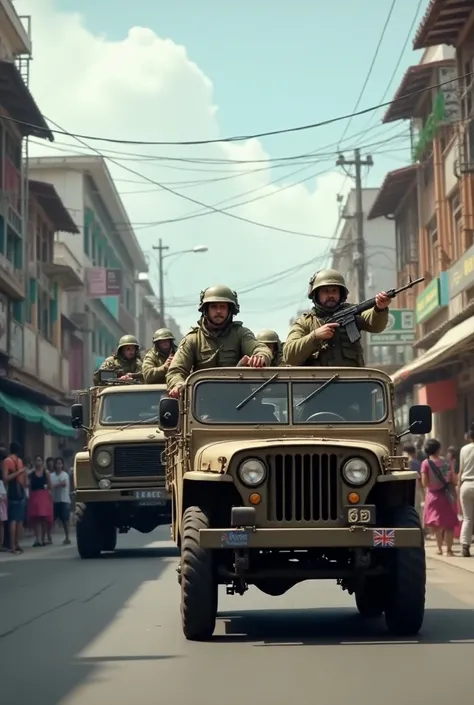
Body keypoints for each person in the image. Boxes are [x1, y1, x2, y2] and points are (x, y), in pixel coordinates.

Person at [166, 285, 272, 398]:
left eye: (223, 307)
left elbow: (260, 349)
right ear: (206, 310)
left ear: (230, 310)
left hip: (241, 403)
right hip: (204, 406)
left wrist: (260, 357)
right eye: (213, 307)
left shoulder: (241, 334)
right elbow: (176, 370)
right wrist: (178, 384)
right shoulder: (193, 339)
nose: (218, 311)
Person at [283, 269, 390, 367]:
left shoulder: (352, 313)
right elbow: (289, 356)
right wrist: (315, 337)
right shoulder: (305, 322)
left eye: (334, 291)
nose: (330, 295)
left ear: (341, 294)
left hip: (352, 382)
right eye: (325, 291)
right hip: (318, 384)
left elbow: (376, 326)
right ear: (316, 295)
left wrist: (379, 309)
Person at [420, 438, 459, 556]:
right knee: (449, 524)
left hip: (433, 496)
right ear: (438, 449)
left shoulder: (425, 463)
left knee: (436, 524)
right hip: (447, 495)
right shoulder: (447, 462)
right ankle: (449, 550)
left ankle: (439, 548)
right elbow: (454, 480)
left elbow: (424, 483)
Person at [2, 442, 27, 554]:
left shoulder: (7, 461)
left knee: (13, 520)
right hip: (20, 491)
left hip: (13, 491)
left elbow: (5, 478)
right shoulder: (20, 462)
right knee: (18, 520)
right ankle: (16, 544)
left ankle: (13, 545)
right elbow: (22, 479)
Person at [27, 455, 54, 547]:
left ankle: (43, 538)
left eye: (39, 460)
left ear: (42, 462)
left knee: (43, 519)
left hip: (43, 496)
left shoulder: (46, 473)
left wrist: (48, 491)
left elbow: (50, 485)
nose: (38, 462)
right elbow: (29, 485)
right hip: (34, 496)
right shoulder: (31, 474)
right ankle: (37, 538)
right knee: (36, 519)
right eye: (36, 460)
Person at [458, 426, 474, 557]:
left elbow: (461, 470)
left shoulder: (464, 449)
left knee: (467, 518)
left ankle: (465, 545)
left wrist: (458, 486)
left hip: (466, 485)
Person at [50, 457, 71, 545]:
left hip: (64, 500)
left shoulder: (64, 475)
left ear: (62, 465)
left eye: (60, 463)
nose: (58, 465)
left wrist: (54, 485)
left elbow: (63, 484)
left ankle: (67, 537)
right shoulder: (51, 475)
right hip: (54, 500)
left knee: (65, 520)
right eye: (57, 463)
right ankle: (48, 537)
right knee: (51, 519)